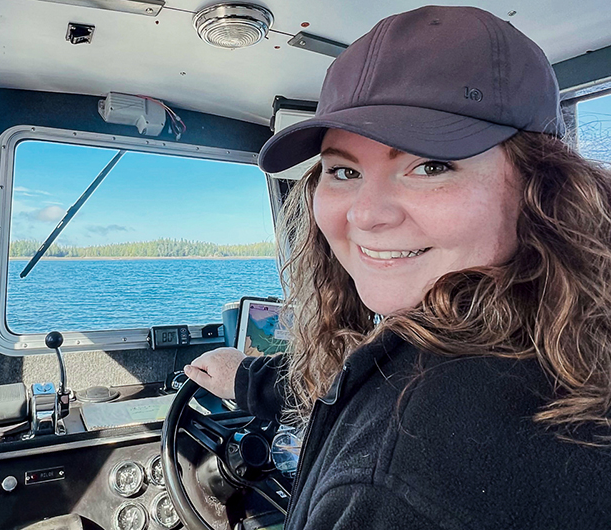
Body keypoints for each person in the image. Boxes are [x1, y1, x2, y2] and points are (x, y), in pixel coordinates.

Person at [183, 5, 611, 529]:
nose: (366, 214)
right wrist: (250, 379)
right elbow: (354, 380)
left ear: (541, 186)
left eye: (430, 166)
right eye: (344, 171)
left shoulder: (398, 470)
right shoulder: (566, 339)